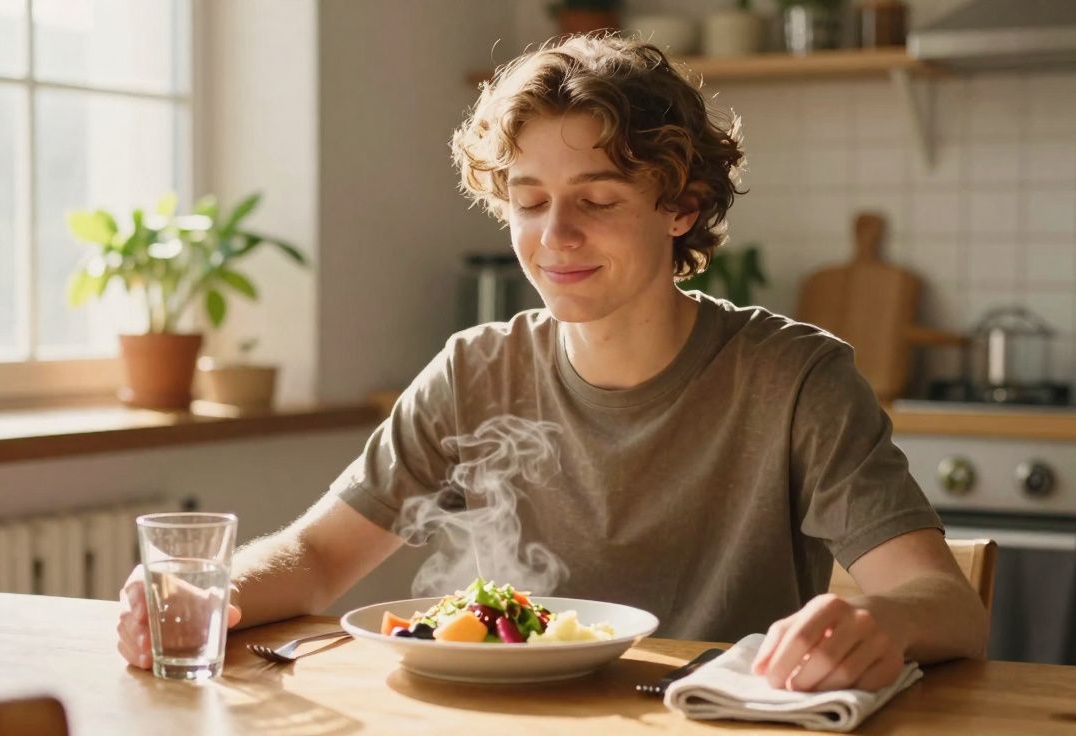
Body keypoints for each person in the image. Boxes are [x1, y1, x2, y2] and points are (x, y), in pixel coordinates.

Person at [117, 34, 988, 692]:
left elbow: (946, 605)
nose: (555, 237)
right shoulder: (476, 371)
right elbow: (313, 559)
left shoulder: (795, 380)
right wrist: (207, 591)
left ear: (680, 206)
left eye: (597, 201)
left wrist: (875, 620)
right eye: (528, 202)